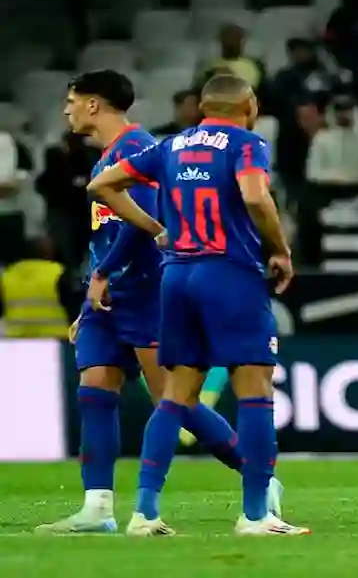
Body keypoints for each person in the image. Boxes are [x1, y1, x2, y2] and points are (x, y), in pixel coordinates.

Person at [36, 70, 282, 534]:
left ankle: (259, 480)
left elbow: (151, 221)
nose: (66, 110)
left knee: (173, 398)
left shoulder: (139, 148)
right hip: (109, 292)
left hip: (147, 289)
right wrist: (94, 294)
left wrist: (112, 268)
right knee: (95, 388)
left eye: (72, 100)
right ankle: (98, 506)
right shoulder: (108, 158)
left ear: (94, 104)